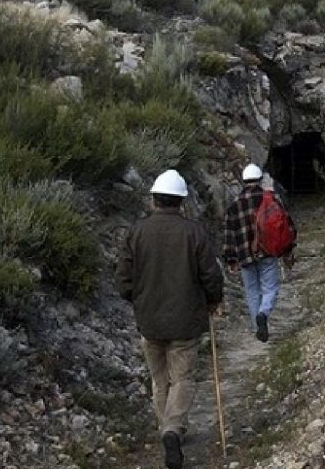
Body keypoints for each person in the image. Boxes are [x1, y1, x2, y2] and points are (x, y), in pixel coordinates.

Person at [116, 169, 223, 469]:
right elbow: (210, 275)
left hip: (148, 320)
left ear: (153, 200)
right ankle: (172, 430)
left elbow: (123, 279)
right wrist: (213, 299)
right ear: (181, 202)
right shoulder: (194, 232)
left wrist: (136, 299)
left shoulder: (136, 232)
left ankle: (168, 429)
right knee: (182, 378)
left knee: (158, 378)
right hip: (186, 320)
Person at [221, 163, 289, 343]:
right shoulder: (271, 199)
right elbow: (284, 225)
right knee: (270, 288)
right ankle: (263, 314)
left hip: (244, 254)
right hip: (267, 252)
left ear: (243, 181)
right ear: (260, 179)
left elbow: (229, 233)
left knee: (252, 292)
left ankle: (257, 327)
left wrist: (230, 258)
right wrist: (287, 249)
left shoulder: (234, 205)